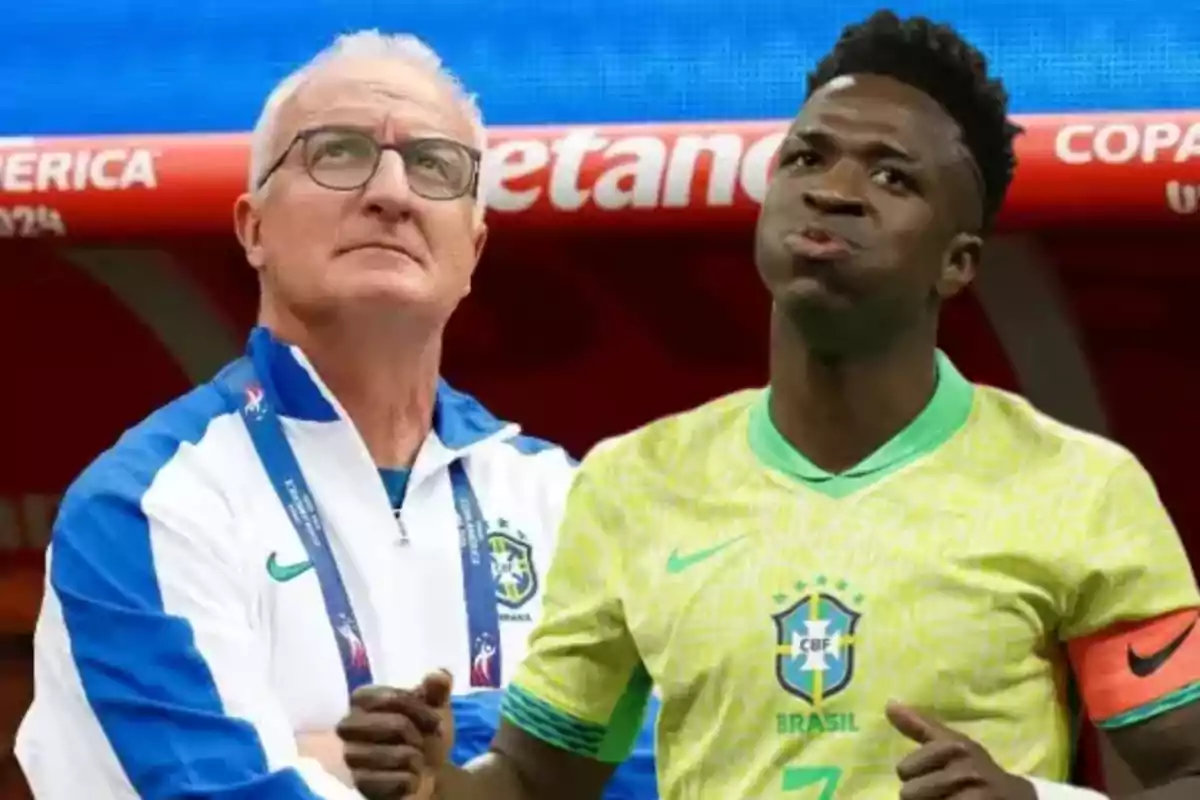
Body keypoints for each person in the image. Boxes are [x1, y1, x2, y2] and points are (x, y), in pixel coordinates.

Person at [333, 11, 1200, 800]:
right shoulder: (633, 482)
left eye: (893, 178)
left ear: (957, 262)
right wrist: (430, 784)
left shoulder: (1079, 488)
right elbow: (531, 781)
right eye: (808, 157)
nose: (834, 190)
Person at [14, 30, 656, 799]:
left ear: (474, 248)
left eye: (434, 165)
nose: (392, 192)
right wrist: (536, 754)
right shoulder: (146, 507)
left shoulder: (571, 501)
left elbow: (693, 757)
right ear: (254, 228)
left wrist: (351, 752)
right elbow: (225, 790)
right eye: (340, 153)